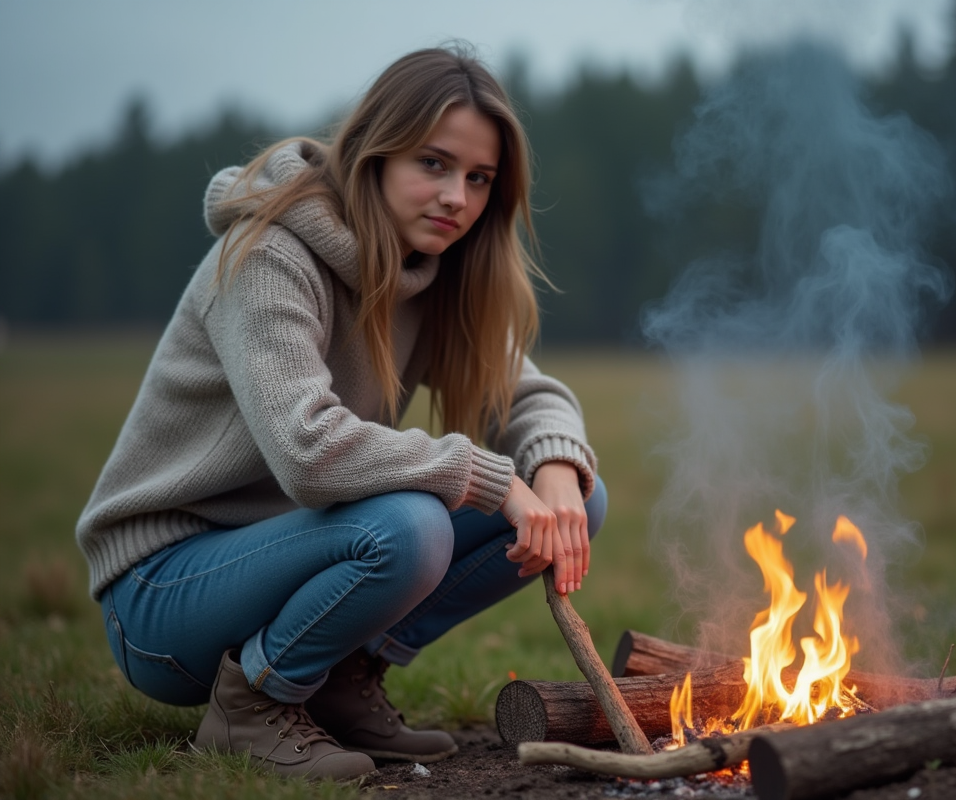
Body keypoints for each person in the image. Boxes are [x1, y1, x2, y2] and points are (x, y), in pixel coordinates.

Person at [75, 45, 605, 782]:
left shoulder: (438, 270)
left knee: (579, 491)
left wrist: (549, 473)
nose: (457, 196)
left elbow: (529, 395)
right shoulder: (268, 254)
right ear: (375, 153)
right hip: (163, 594)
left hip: (292, 558)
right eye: (434, 164)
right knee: (410, 528)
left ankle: (343, 679)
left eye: (479, 178)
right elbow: (308, 449)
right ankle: (254, 703)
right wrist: (491, 480)